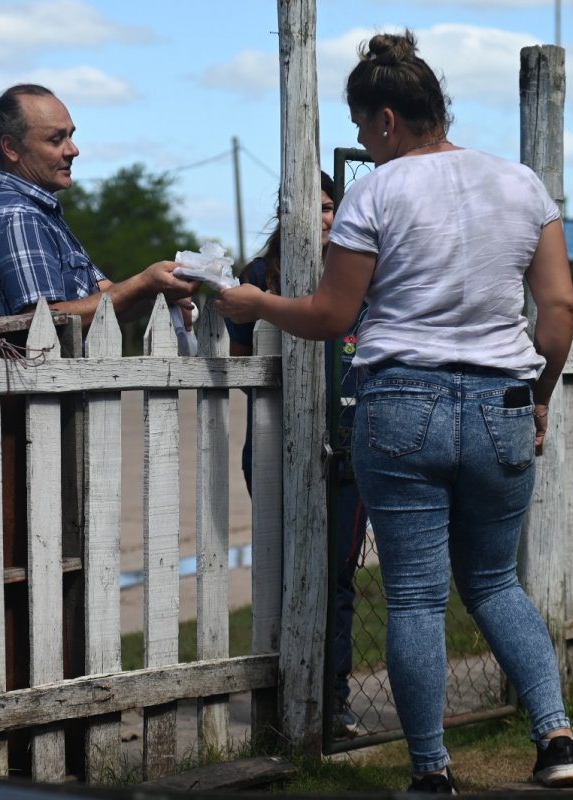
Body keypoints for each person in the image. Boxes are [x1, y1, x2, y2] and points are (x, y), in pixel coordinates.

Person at [216, 30, 573, 793]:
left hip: (402, 402)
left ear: (386, 120)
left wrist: (256, 304)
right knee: (495, 583)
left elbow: (329, 314)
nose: (362, 140)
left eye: (360, 126)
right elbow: (558, 311)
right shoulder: (522, 185)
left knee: (416, 594)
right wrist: (540, 396)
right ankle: (556, 739)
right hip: (502, 404)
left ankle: (431, 773)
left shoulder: (375, 192)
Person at [226, 172, 368, 740]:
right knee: (282, 573)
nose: (320, 218)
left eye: (329, 207)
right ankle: (284, 696)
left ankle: (332, 699)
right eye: (307, 207)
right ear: (285, 215)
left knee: (337, 576)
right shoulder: (258, 277)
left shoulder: (358, 271)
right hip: (274, 447)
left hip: (348, 448)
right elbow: (242, 365)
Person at [0, 84, 196, 329]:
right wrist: (141, 284)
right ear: (11, 148)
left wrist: (157, 293)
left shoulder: (40, 214)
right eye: (56, 140)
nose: (73, 150)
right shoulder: (17, 217)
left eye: (70, 136)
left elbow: (107, 299)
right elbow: (43, 322)